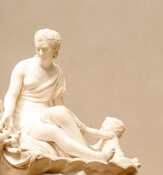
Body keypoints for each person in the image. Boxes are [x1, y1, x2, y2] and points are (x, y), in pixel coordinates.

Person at [0, 29, 115, 162]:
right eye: (38, 49)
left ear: (55, 50)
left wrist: (70, 119)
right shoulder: (23, 67)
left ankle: (86, 151)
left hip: (43, 114)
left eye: (44, 49)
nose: (40, 53)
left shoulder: (57, 71)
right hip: (25, 119)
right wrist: (8, 114)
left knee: (61, 113)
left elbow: (58, 103)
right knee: (54, 132)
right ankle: (95, 157)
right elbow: (11, 95)